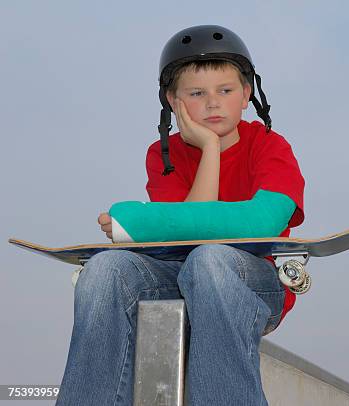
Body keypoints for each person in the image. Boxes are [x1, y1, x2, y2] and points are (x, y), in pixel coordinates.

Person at [56, 25, 305, 406]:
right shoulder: (164, 154)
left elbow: (263, 223)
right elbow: (186, 237)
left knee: (210, 259)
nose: (212, 104)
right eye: (196, 94)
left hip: (255, 282)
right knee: (105, 270)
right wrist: (209, 149)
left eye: (225, 91)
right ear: (174, 101)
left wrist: (138, 223)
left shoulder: (270, 146)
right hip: (178, 274)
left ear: (246, 95)